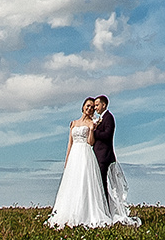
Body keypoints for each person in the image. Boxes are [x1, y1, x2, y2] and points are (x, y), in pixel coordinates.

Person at [45, 95, 138, 229]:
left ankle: (87, 211)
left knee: (85, 182)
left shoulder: (92, 123)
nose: (90, 108)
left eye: (92, 107)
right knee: (72, 183)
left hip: (85, 153)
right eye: (88, 106)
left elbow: (90, 142)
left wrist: (92, 130)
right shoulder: (73, 123)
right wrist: (67, 160)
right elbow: (70, 143)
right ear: (83, 107)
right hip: (74, 155)